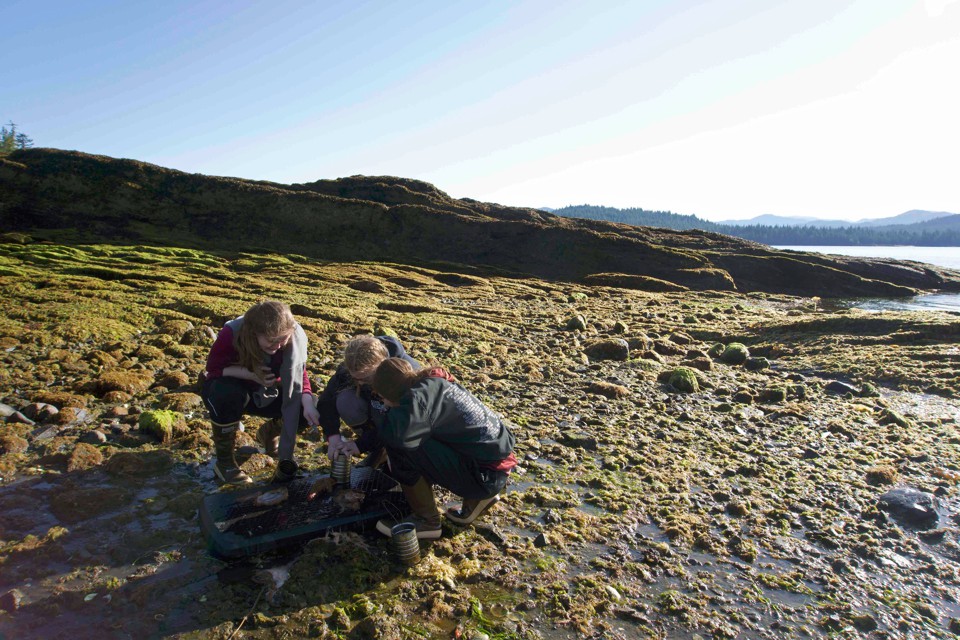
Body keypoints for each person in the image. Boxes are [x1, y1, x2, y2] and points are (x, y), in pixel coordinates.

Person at [371, 358, 517, 539]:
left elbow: (397, 437)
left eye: (382, 397)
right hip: (496, 466)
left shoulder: (418, 400)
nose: (383, 402)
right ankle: (477, 499)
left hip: (483, 477)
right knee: (422, 435)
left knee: (401, 447)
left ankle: (427, 521)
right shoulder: (433, 383)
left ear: (392, 392)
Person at [201, 300, 320, 485]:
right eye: (271, 341)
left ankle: (268, 433)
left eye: (283, 339)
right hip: (236, 393)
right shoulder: (232, 333)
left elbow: (299, 375)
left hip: (270, 392)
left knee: (312, 407)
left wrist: (307, 400)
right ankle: (225, 462)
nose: (278, 346)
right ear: (254, 333)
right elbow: (212, 371)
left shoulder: (294, 338)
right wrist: (251, 374)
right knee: (225, 393)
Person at [315, 334, 419, 464]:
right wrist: (333, 437)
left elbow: (400, 423)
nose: (361, 383)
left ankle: (388, 452)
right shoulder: (351, 366)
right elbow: (327, 402)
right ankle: (377, 449)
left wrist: (360, 445)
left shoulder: (404, 375)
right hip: (373, 410)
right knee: (346, 401)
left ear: (381, 366)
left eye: (366, 378)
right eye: (356, 378)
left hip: (408, 428)